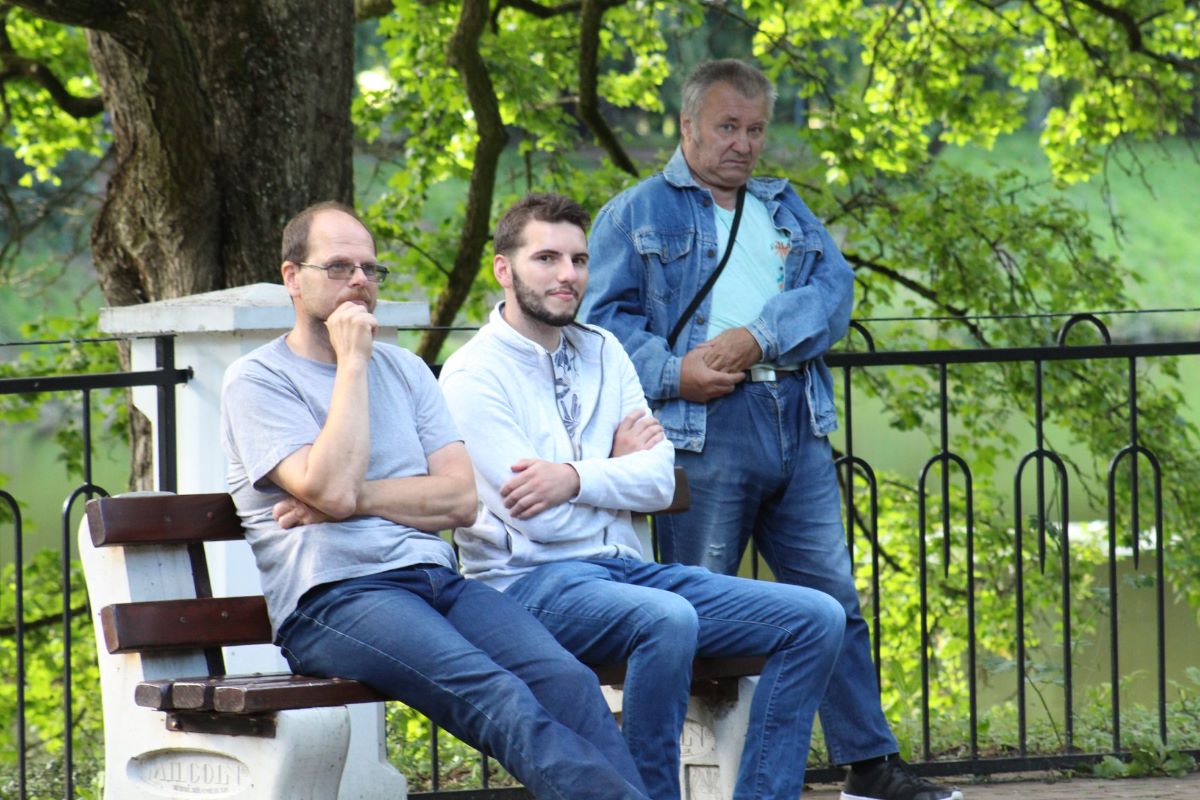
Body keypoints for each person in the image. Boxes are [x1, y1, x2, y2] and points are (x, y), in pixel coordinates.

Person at [582, 60, 964, 800]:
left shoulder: (783, 206)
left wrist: (759, 335)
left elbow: (834, 292)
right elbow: (603, 328)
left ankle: (869, 766)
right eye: (727, 126)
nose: (744, 144)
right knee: (697, 603)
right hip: (703, 427)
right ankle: (687, 772)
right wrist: (676, 373)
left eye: (755, 129)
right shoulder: (634, 214)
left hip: (797, 416)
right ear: (687, 125)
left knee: (833, 597)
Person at [219, 201, 651, 800]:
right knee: (498, 697)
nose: (360, 282)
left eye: (370, 269)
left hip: (436, 582)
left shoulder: (408, 371)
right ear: (293, 277)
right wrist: (352, 364)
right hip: (336, 598)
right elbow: (330, 487)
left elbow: (459, 500)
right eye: (339, 267)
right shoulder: (258, 379)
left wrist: (352, 500)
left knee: (566, 680)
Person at [439, 192, 847, 800]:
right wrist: (613, 468)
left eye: (578, 260)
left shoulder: (604, 350)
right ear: (504, 268)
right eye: (546, 258)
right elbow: (540, 522)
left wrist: (574, 477)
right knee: (666, 619)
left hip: (627, 573)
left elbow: (658, 479)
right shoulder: (473, 375)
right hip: (529, 586)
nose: (567, 275)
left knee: (817, 618)